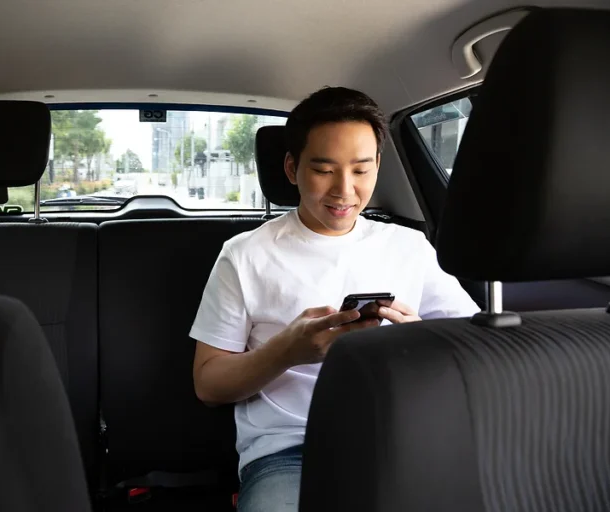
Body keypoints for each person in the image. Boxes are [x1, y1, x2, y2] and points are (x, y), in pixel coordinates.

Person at [189, 86, 479, 512]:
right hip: (289, 451)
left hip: (403, 436)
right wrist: (288, 351)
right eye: (324, 170)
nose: (345, 191)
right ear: (292, 168)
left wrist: (420, 338)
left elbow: (472, 345)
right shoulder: (244, 254)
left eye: (361, 170)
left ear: (378, 165)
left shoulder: (409, 246)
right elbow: (208, 385)